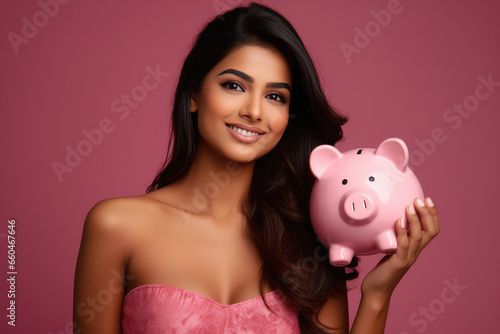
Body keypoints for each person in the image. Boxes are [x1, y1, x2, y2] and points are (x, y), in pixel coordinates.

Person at [73, 3, 439, 333]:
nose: (254, 111)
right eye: (234, 85)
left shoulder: (308, 240)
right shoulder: (116, 225)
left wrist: (377, 294)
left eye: (275, 96)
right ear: (195, 94)